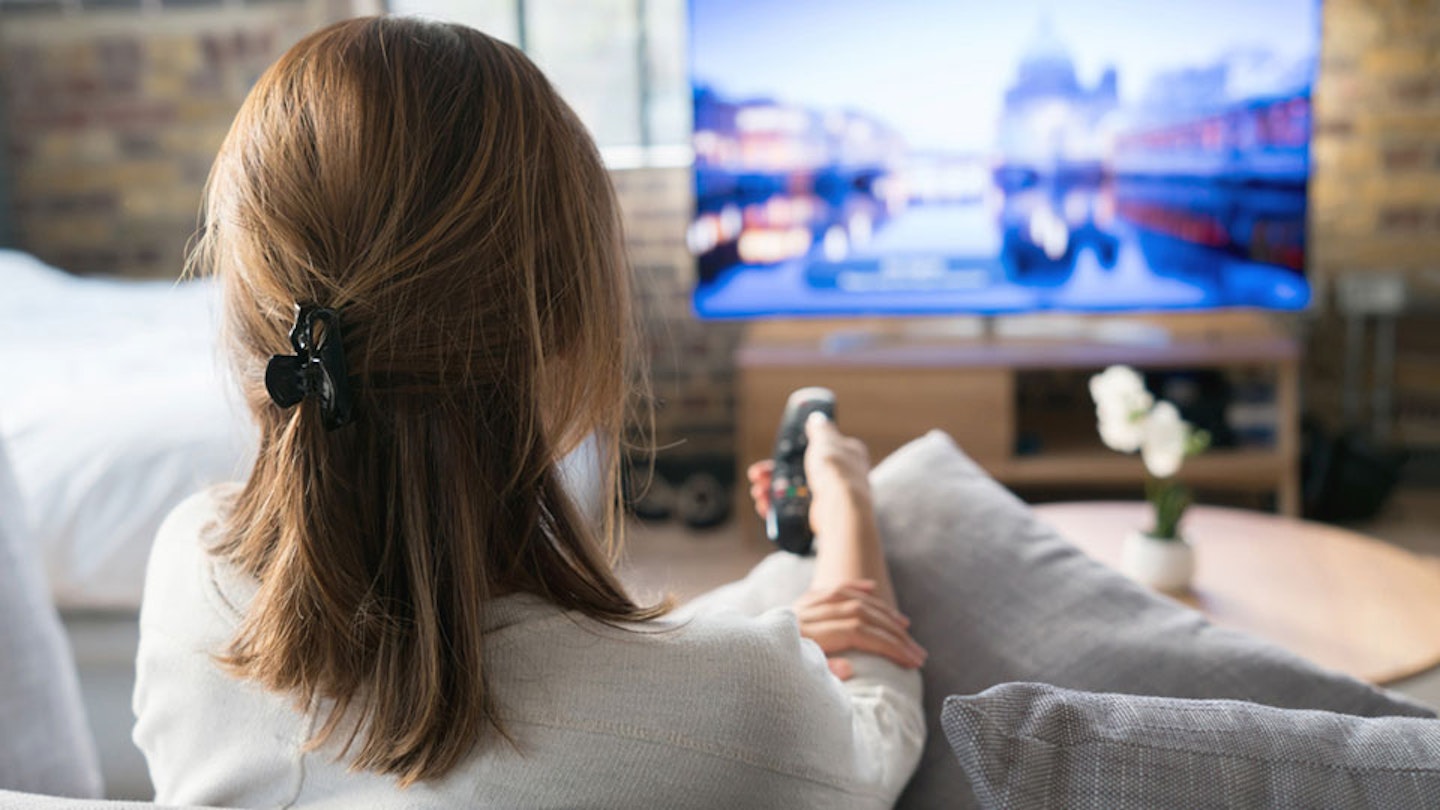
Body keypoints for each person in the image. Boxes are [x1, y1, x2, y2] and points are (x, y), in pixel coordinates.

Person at [133, 16, 928, 808]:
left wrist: (759, 617)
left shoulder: (186, 572)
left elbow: (590, 676)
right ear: (565, 330)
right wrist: (849, 502)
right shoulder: (745, 704)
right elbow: (870, 749)